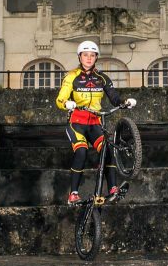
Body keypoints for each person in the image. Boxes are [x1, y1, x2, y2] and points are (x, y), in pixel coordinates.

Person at [55, 41, 136, 205]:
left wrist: (124, 101)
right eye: (85, 55)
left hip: (95, 123)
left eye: (92, 55)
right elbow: (60, 99)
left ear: (96, 58)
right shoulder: (72, 76)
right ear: (80, 57)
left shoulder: (102, 78)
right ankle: (73, 194)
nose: (89, 58)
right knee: (82, 152)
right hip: (77, 123)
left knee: (107, 151)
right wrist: (66, 104)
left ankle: (113, 189)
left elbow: (114, 97)